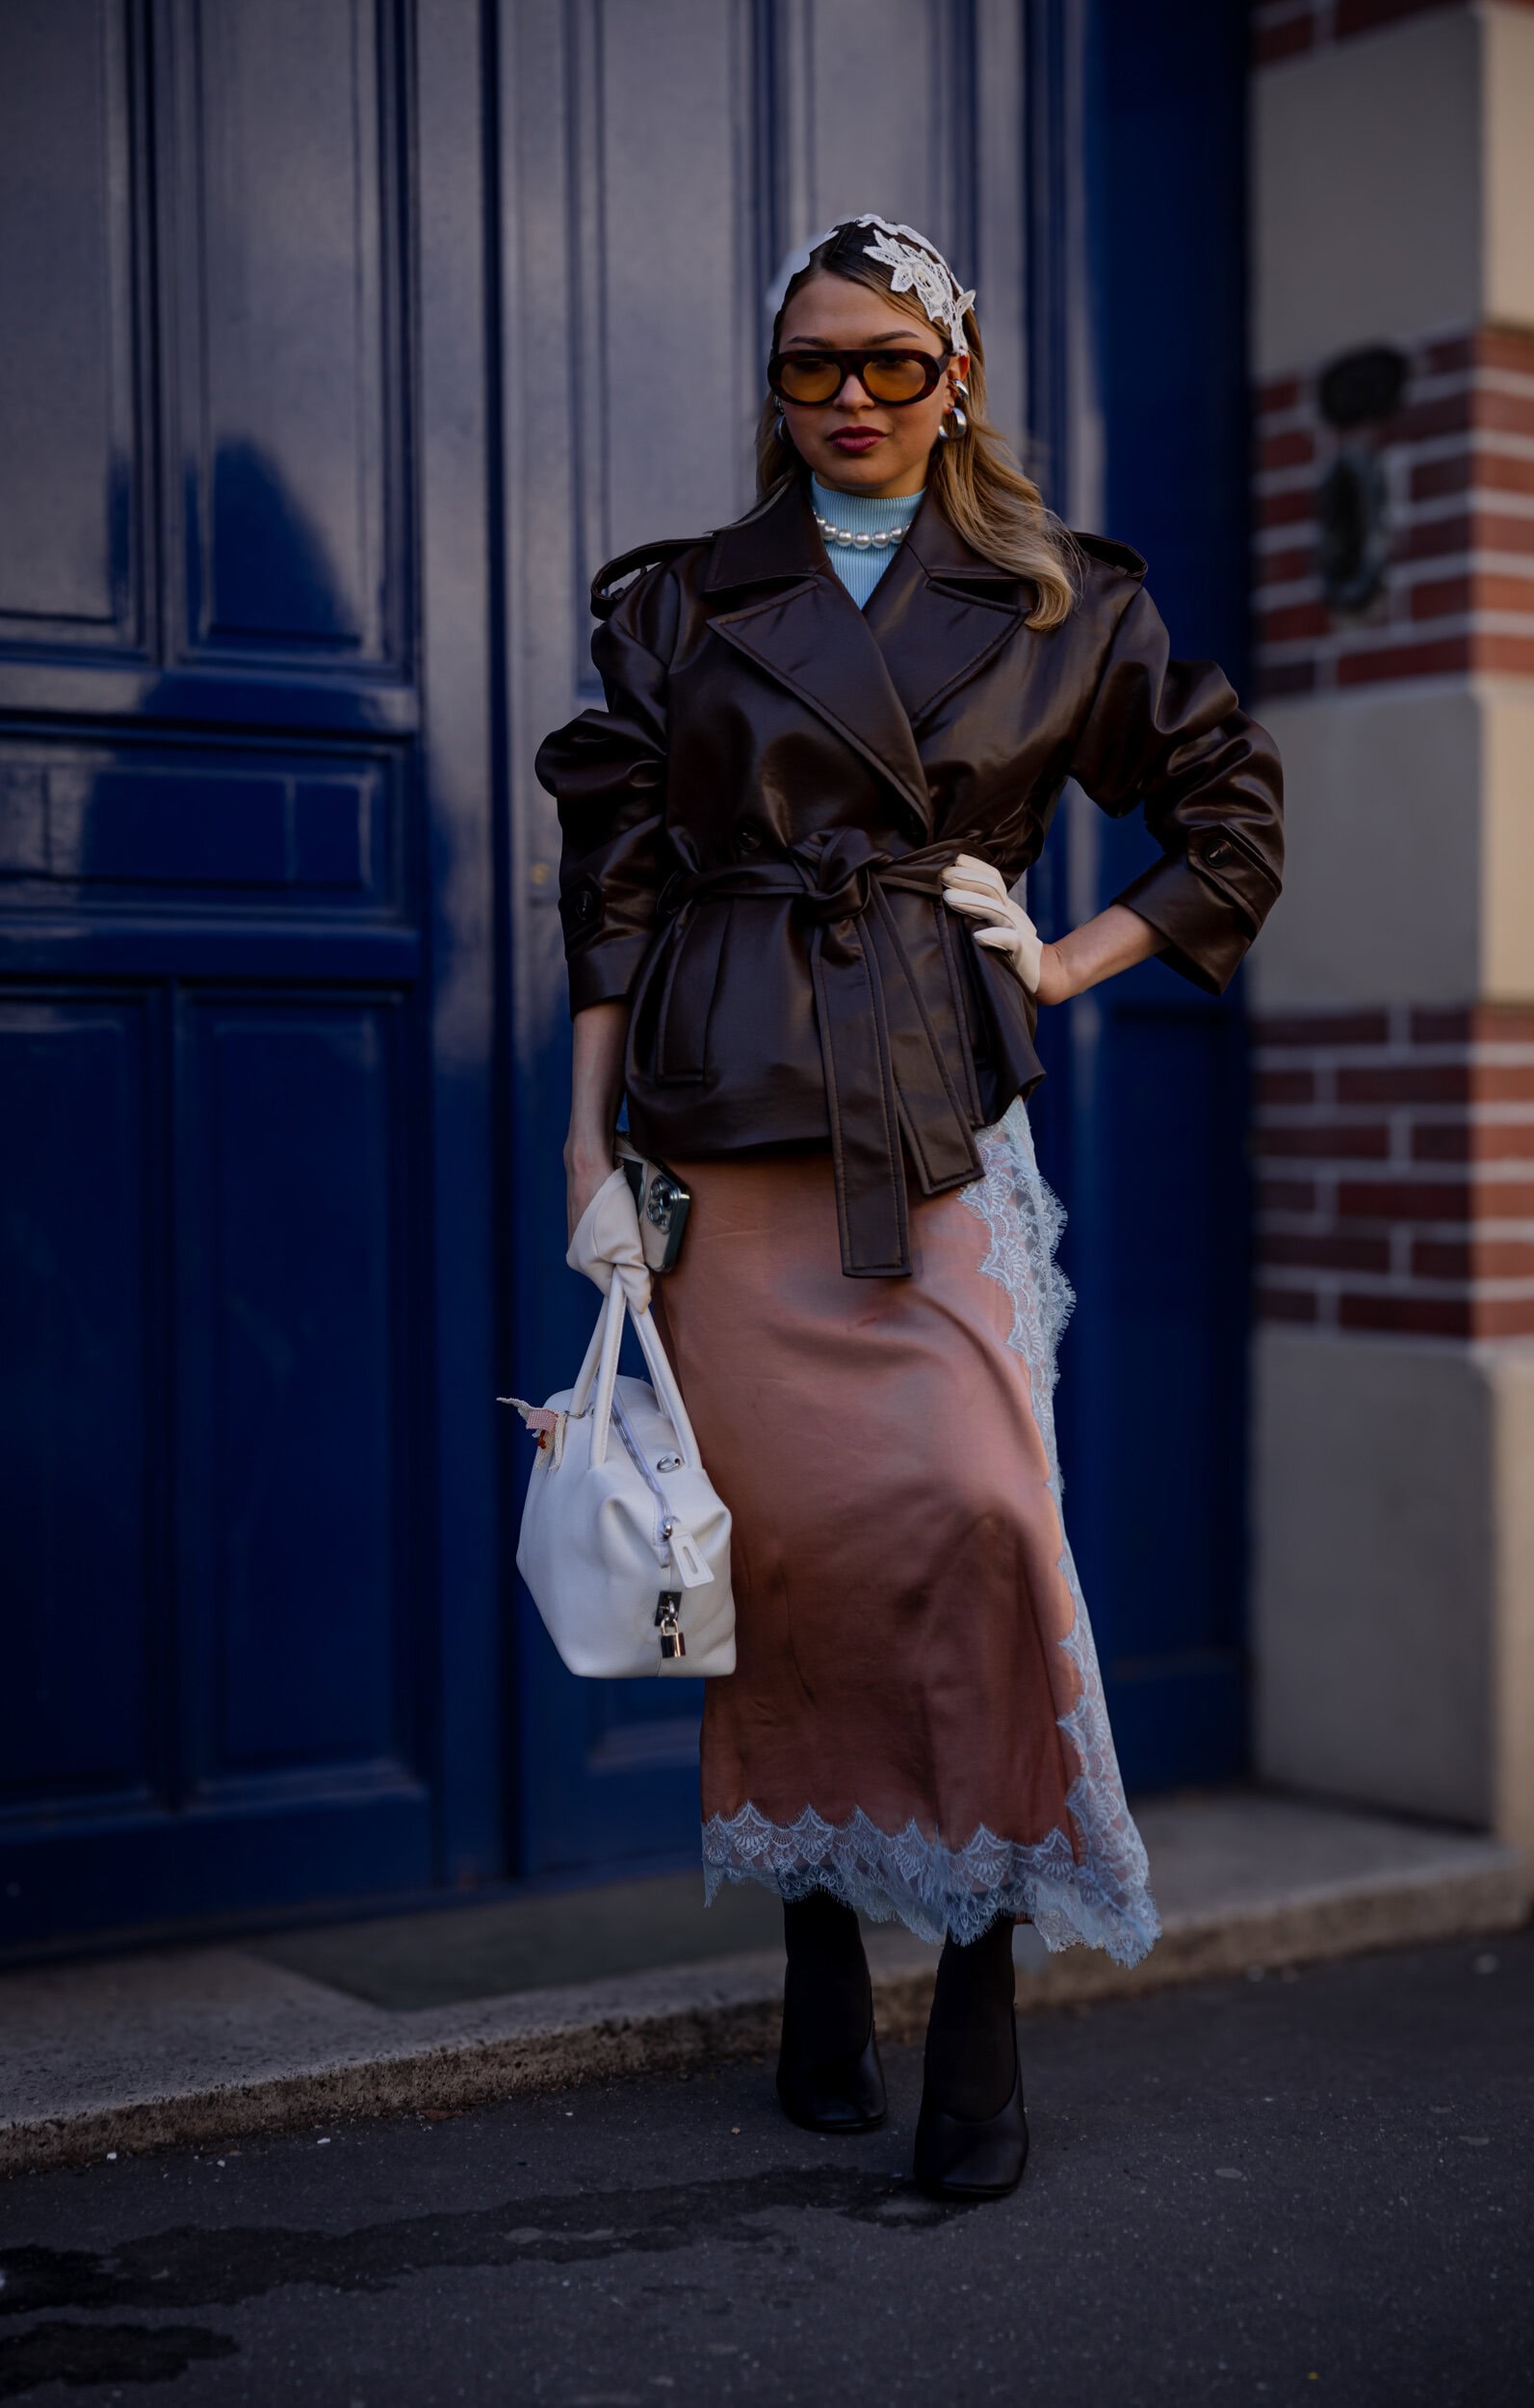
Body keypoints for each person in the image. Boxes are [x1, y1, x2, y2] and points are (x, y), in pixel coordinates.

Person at [537, 215, 1283, 2201]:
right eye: (813, 365)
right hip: (721, 1125)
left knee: (971, 1522)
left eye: (890, 361)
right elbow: (615, 878)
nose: (851, 396)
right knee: (780, 1555)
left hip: (928, 1126)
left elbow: (1229, 808)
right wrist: (586, 1143)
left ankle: (976, 1972)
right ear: (774, 388)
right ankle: (811, 1934)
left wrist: (1064, 956)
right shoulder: (685, 600)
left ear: (959, 380)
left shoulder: (1061, 597)